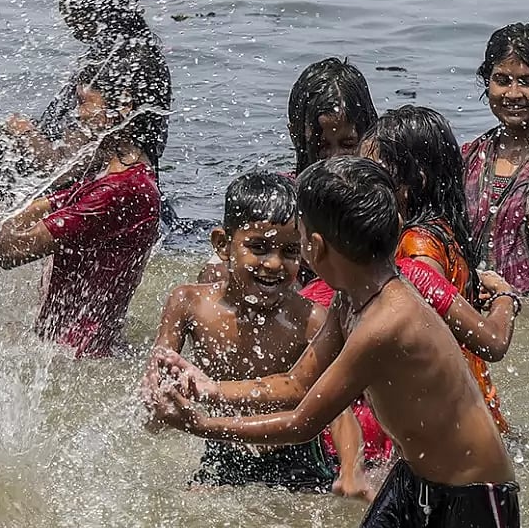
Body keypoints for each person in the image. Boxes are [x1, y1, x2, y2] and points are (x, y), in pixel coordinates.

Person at [148, 157, 523, 528]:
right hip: (411, 482)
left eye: (298, 238)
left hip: (475, 496)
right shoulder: (351, 299)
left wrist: (198, 423)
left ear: (316, 247)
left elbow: (301, 422)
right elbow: (294, 383)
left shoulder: (385, 323)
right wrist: (210, 387)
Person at [0, 59, 161, 359]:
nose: (77, 115)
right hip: (67, 350)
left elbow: (10, 250)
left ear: (122, 107)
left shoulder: (121, 189)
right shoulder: (113, 175)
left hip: (76, 359)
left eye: (84, 104)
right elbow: (11, 220)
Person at [149, 172, 369, 499]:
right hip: (225, 450)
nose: (274, 263)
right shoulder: (189, 304)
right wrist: (158, 403)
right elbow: (158, 378)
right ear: (223, 245)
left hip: (297, 456)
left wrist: (352, 469)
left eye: (290, 251)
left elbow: (335, 406)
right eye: (259, 247)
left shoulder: (309, 319)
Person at [0, 0, 171, 203]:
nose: (63, 7)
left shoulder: (121, 65)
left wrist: (22, 133)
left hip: (103, 211)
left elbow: (67, 165)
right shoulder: (127, 51)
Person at [359, 105, 508, 432]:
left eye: (374, 173)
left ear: (416, 180)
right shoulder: (444, 230)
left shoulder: (418, 247)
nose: (363, 183)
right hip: (477, 412)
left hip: (452, 427)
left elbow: (423, 338)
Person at [198, 57, 377, 282]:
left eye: (348, 145)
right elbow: (215, 271)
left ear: (368, 135)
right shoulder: (281, 199)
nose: (334, 160)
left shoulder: (377, 199)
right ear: (296, 135)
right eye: (321, 147)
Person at [463, 23, 529, 292]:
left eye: (527, 81)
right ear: (487, 83)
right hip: (475, 304)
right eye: (502, 80)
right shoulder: (469, 157)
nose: (513, 94)